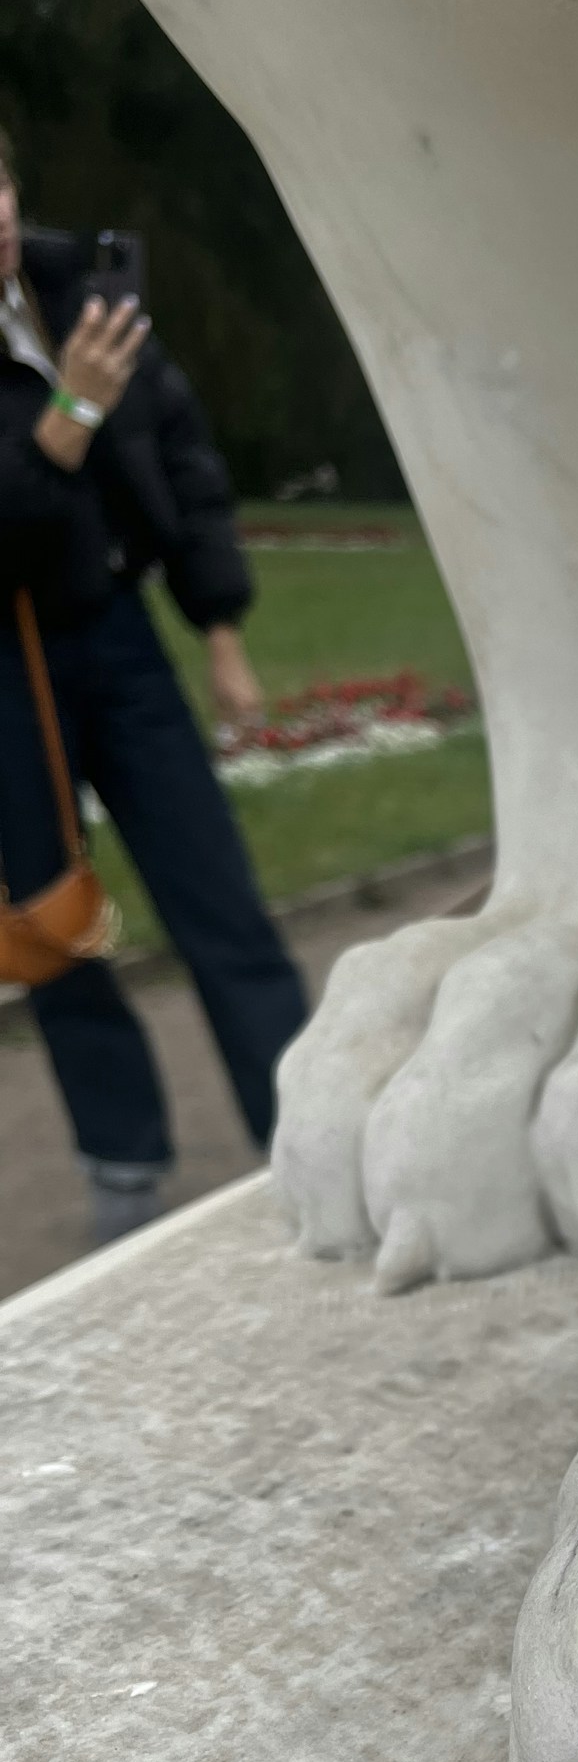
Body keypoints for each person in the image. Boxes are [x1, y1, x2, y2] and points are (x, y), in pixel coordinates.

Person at [0, 124, 307, 1244]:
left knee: (217, 892)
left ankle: (303, 1131)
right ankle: (122, 1166)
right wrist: (69, 414)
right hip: (11, 666)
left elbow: (180, 458)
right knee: (54, 925)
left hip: (120, 637)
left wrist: (220, 628)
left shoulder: (81, 292)